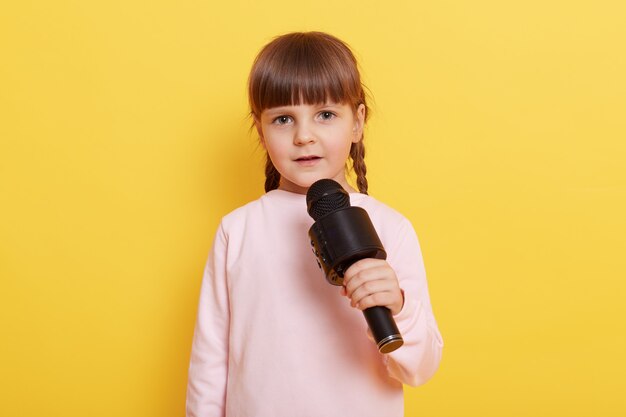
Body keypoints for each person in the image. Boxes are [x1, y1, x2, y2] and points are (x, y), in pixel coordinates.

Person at [186, 31, 443, 417]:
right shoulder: (237, 230)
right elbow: (210, 363)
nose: (304, 136)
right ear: (261, 130)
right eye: (284, 118)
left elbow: (420, 369)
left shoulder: (392, 228)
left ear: (357, 123)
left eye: (325, 115)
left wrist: (399, 306)